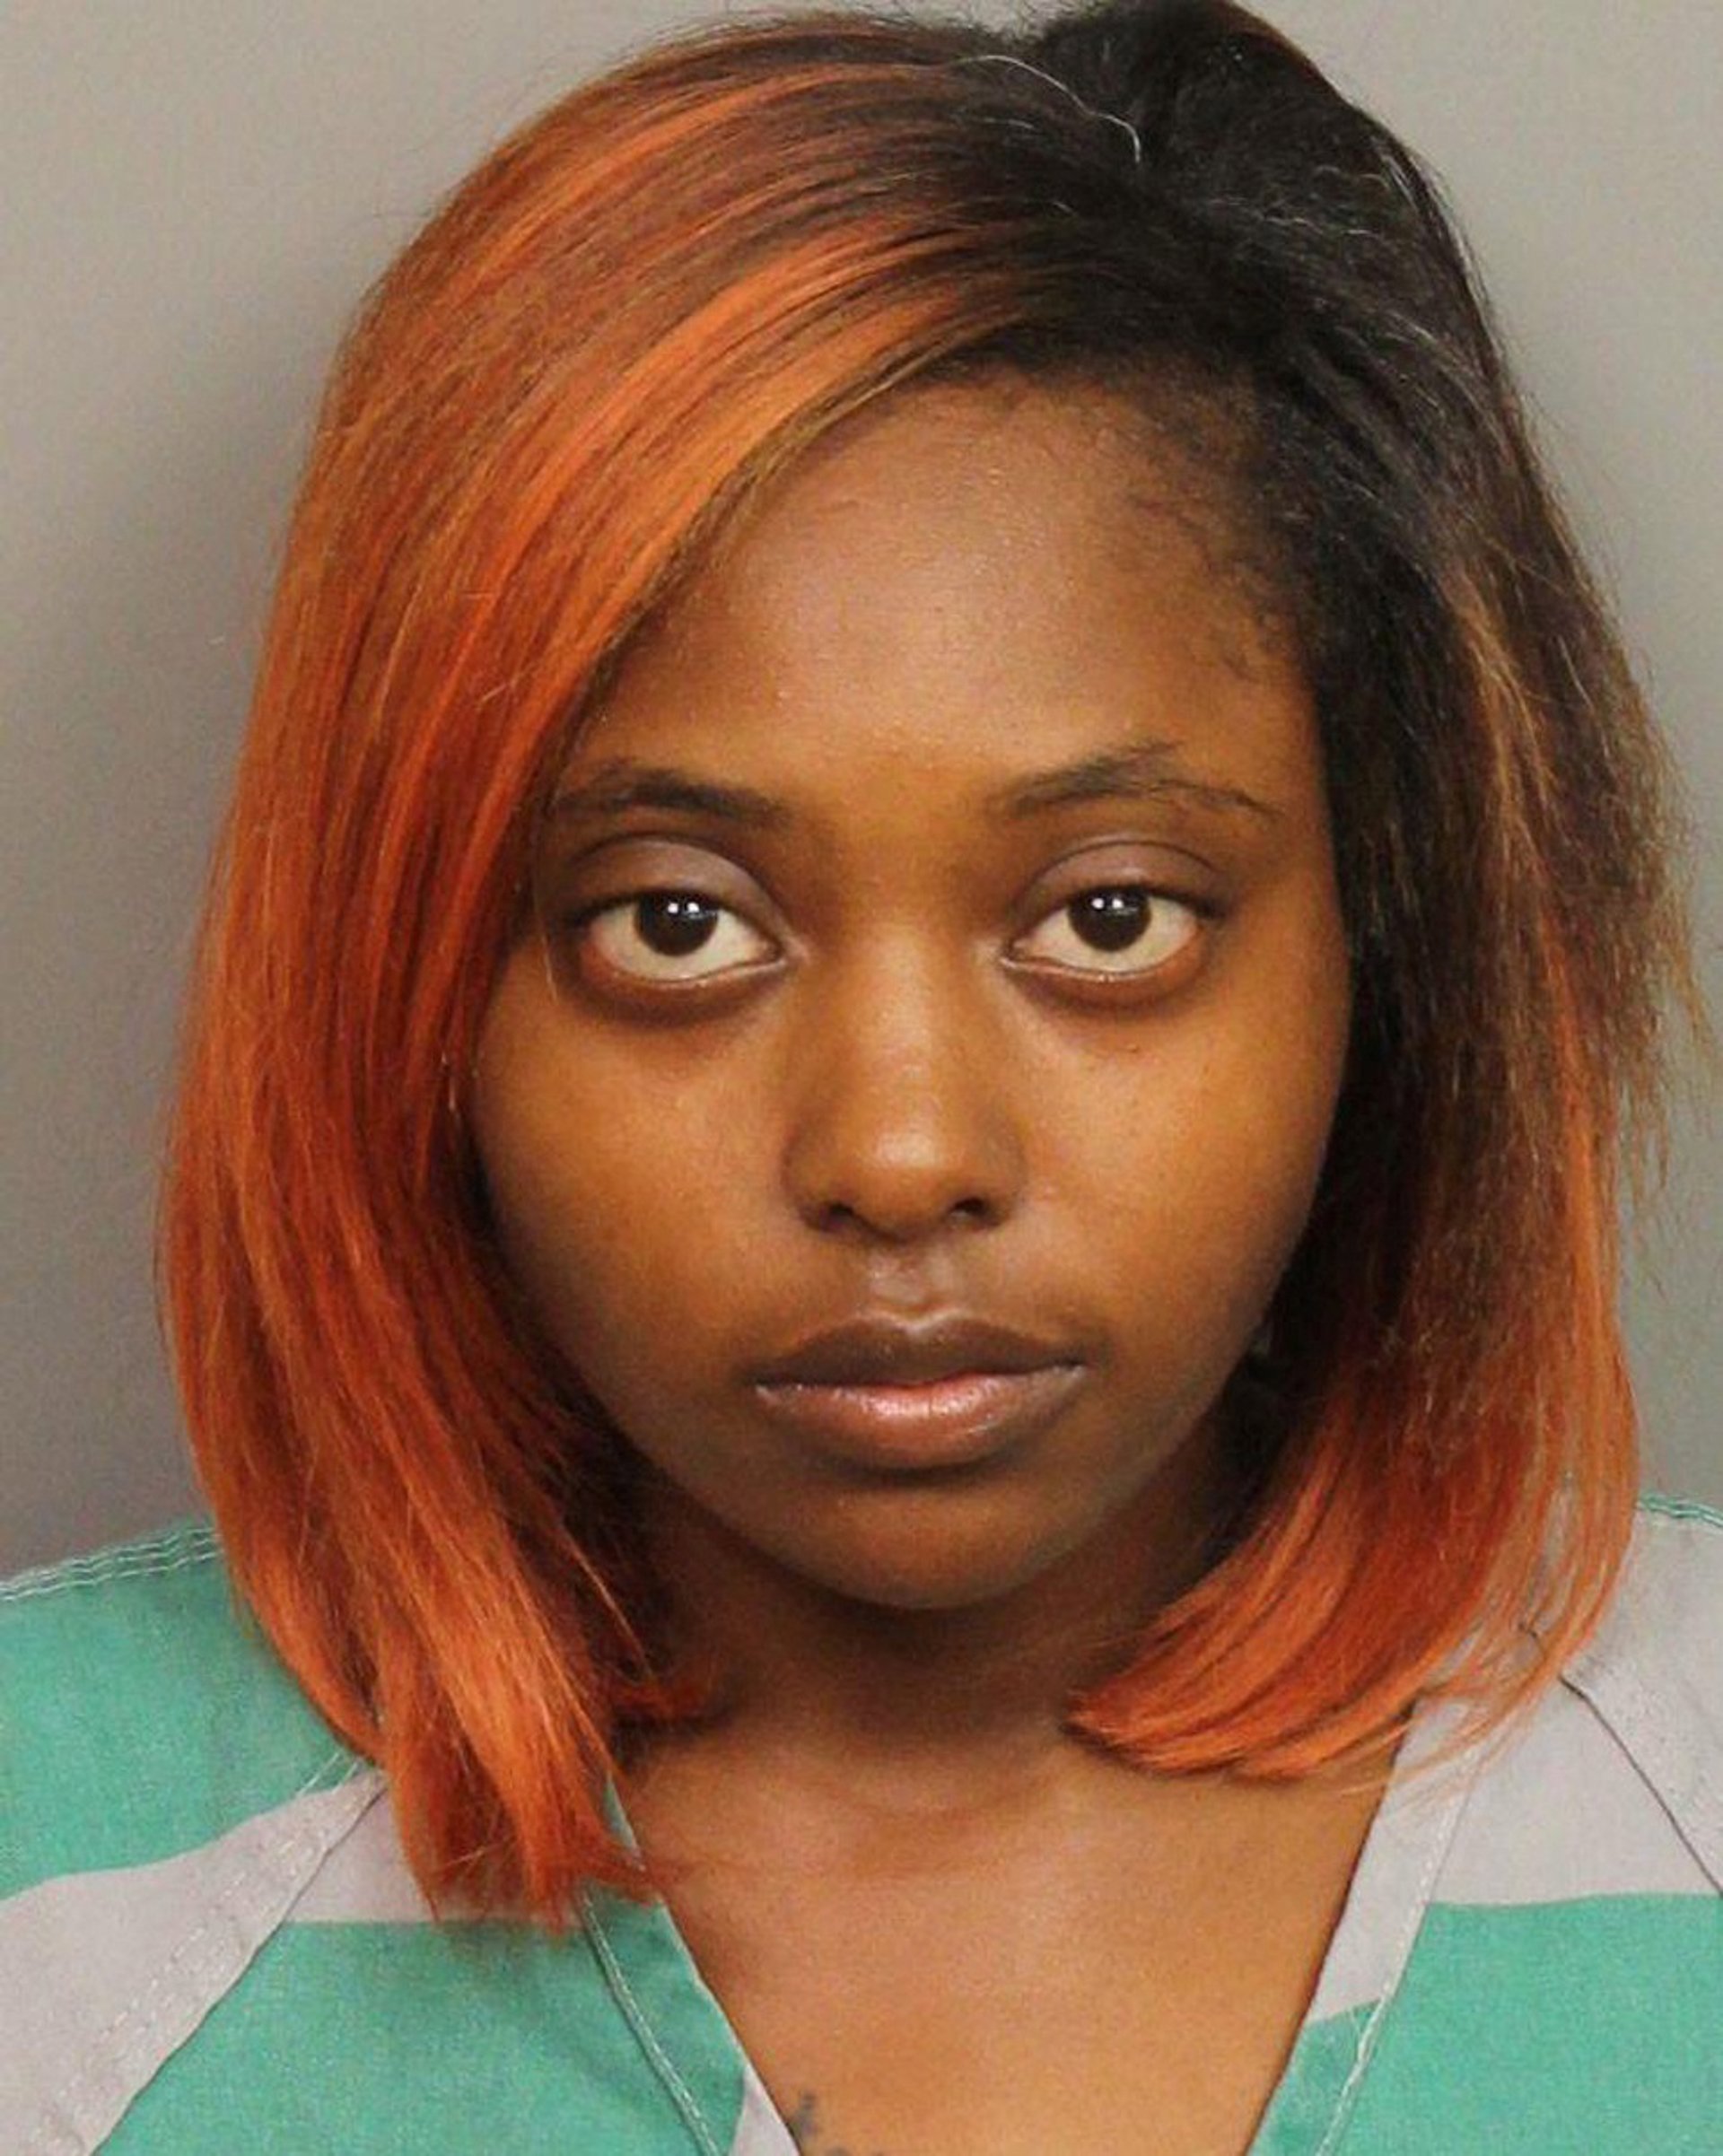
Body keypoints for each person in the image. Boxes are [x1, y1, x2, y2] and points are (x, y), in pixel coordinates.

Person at [3, 1, 1718, 2148]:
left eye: (1112, 916)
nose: (903, 1154)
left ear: (1391, 945)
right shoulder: (52, 1922)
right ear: (412, 990)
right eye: (676, 923)